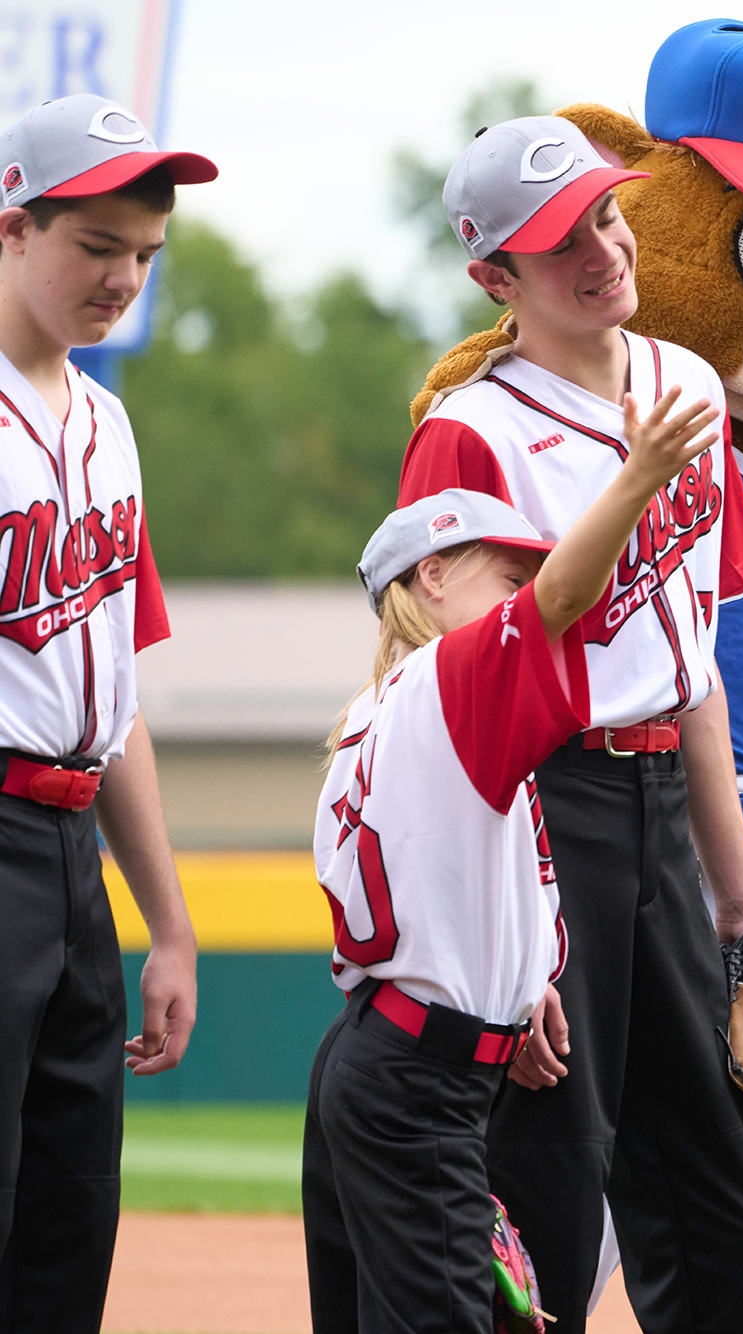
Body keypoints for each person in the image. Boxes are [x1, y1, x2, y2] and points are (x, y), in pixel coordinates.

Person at [396, 116, 743, 1332]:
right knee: (545, 1207)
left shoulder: (688, 386)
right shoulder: (470, 434)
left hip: (664, 811)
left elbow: (694, 659)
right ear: (494, 277)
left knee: (723, 1209)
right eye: (558, 239)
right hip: (540, 810)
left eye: (606, 215)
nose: (600, 248)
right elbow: (447, 714)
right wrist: (505, 932)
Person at [303, 384, 719, 1329]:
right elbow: (568, 594)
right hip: (420, 1078)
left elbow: (443, 876)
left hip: (386, 1051)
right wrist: (644, 474)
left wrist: (526, 979)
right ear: (431, 577)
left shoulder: (374, 717)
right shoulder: (453, 688)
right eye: (506, 575)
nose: (530, 599)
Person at [0, 93, 214, 1331]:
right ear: (14, 228)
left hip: (76, 860)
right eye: (97, 246)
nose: (125, 276)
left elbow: (116, 691)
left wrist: (168, 921)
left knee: (71, 1221)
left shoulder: (108, 423)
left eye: (145, 253)